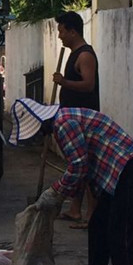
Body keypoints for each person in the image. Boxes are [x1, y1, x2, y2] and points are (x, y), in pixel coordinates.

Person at [9, 98, 133, 265]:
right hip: (114, 175)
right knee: (97, 230)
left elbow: (78, 166)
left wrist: (56, 192)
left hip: (128, 172)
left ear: (42, 123)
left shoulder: (64, 123)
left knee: (120, 238)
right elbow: (86, 169)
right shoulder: (65, 120)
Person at [53, 11, 100, 227]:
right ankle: (74, 210)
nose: (60, 35)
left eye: (62, 31)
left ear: (72, 31)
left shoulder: (85, 55)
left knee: (87, 166)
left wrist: (63, 82)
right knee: (78, 163)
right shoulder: (74, 53)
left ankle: (92, 214)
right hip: (73, 121)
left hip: (84, 121)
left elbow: (88, 85)